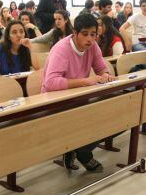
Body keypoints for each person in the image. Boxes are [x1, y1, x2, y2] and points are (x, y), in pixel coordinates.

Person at [42, 13, 115, 172]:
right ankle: (82, 152)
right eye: (85, 34)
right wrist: (86, 81)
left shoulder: (93, 46)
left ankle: (80, 149)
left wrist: (107, 75)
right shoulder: (61, 50)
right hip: (55, 101)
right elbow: (50, 83)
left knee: (115, 112)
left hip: (78, 98)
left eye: (93, 34)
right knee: (97, 116)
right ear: (74, 33)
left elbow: (101, 68)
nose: (90, 39)